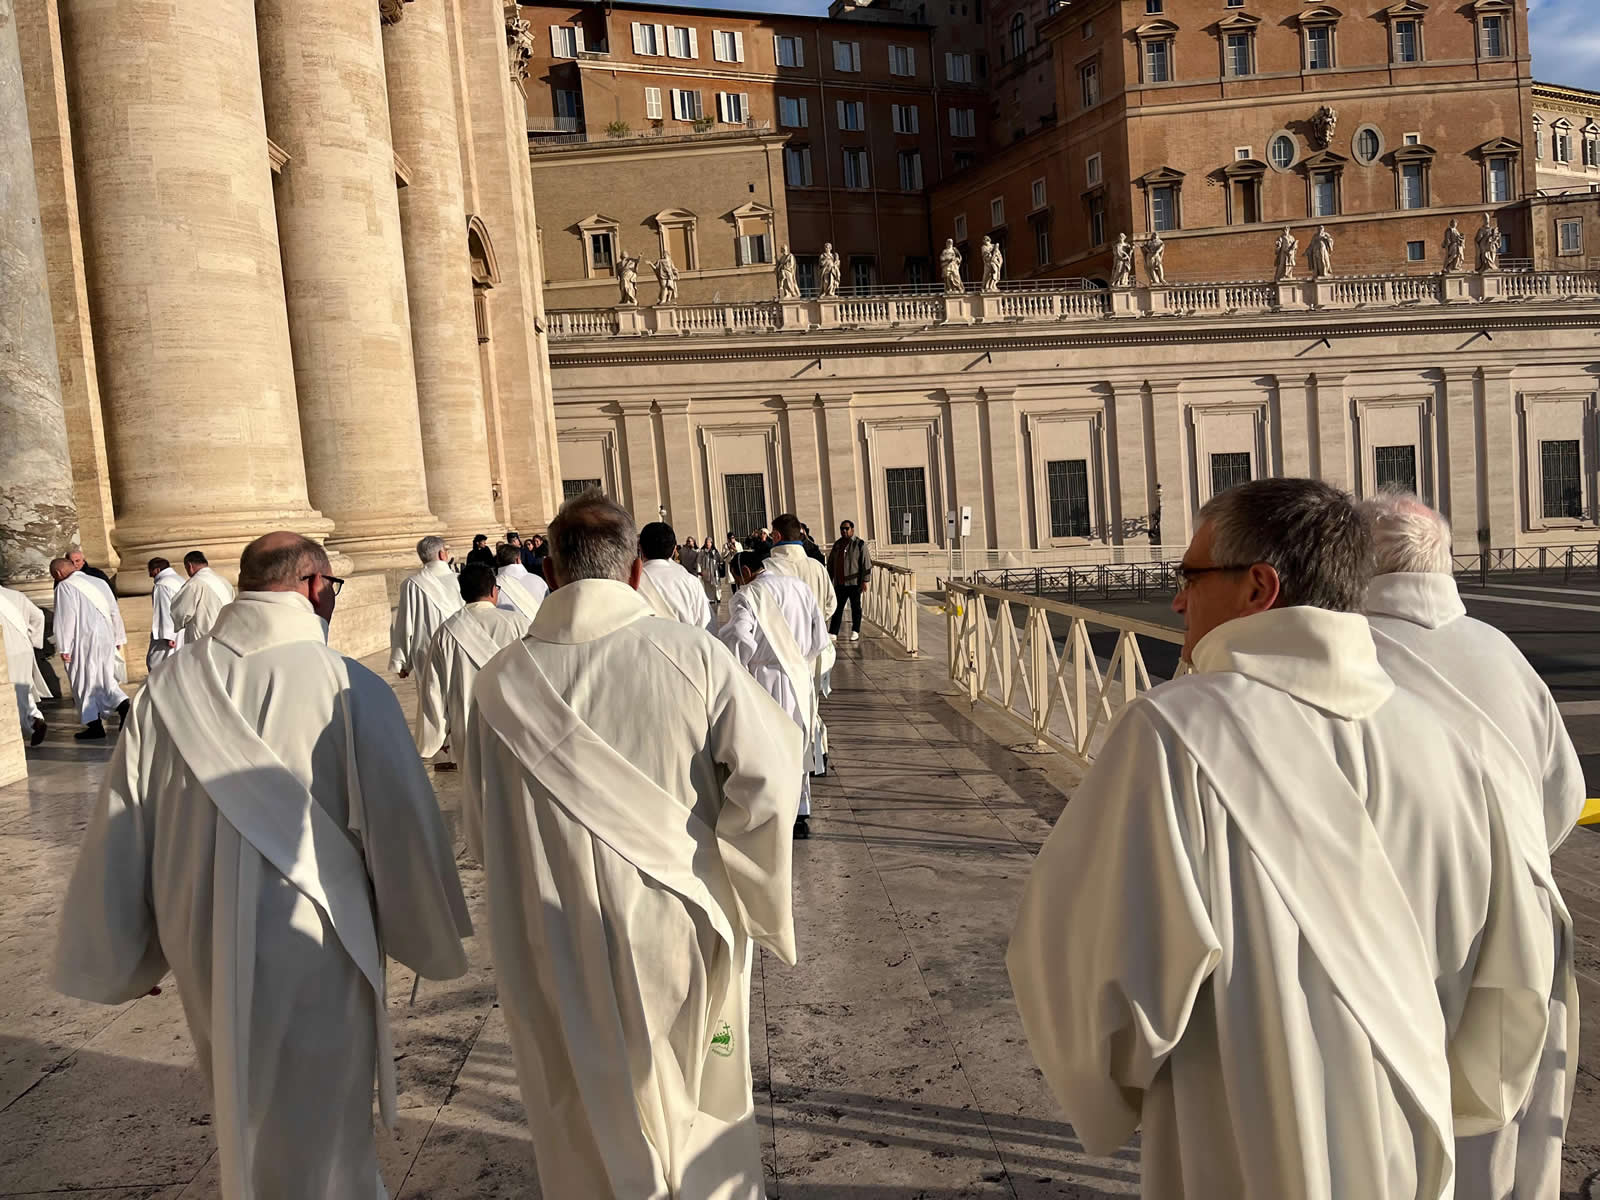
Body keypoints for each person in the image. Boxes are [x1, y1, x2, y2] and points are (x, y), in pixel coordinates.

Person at [1007, 479, 1565, 1200]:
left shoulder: (1174, 734)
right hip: (1410, 1139)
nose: (1177, 600)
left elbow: (1092, 976)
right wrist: (1441, 1091)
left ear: (1258, 588)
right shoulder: (1445, 744)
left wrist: (1110, 1087)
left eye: (1189, 575)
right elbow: (1515, 969)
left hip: (1240, 1140)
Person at [53, 531, 470, 1200]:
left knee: (241, 1093)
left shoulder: (167, 686)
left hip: (200, 928)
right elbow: (403, 824)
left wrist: (130, 943)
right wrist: (425, 927)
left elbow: (127, 817)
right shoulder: (349, 686)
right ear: (313, 585)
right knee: (324, 1115)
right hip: (318, 934)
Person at [463, 491, 803, 1199]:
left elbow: (480, 827)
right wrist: (749, 886)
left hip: (548, 926)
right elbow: (771, 777)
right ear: (635, 571)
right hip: (676, 917)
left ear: (551, 571)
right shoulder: (691, 654)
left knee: (577, 1098)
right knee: (690, 1092)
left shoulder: (498, 683)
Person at [1361, 492, 1581, 1200]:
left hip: (1392, 921)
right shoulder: (1500, 651)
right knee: (1502, 1113)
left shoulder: (1347, 652)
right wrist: (1512, 863)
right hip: (1519, 912)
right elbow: (1563, 795)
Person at [720, 545, 828, 838]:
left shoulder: (748, 595)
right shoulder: (799, 587)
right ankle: (800, 810)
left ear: (745, 572)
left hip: (764, 679)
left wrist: (739, 666)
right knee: (798, 742)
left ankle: (774, 809)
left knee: (769, 745)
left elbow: (739, 635)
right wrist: (800, 660)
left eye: (736, 578)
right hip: (799, 676)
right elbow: (820, 636)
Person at [415, 562, 529, 765]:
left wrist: (436, 736)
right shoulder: (518, 624)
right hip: (514, 726)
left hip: (467, 729)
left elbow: (434, 688)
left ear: (463, 593)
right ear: (493, 590)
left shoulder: (445, 632)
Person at [767, 514, 839, 769]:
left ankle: (795, 759)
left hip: (781, 649)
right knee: (810, 703)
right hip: (814, 647)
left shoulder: (769, 567)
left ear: (777, 536)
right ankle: (818, 754)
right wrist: (814, 624)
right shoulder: (816, 567)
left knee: (785, 706)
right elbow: (831, 604)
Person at [51, 556, 129, 740]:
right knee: (104, 677)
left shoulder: (64, 587)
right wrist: (118, 637)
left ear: (58, 573)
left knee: (83, 680)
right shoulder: (99, 582)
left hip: (83, 639)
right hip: (106, 636)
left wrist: (64, 647)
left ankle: (96, 724)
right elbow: (114, 610)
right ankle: (122, 705)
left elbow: (65, 619)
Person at [389, 536, 461, 680]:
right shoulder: (461, 579)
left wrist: (400, 663)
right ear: (442, 554)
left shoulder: (412, 584)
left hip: (427, 650)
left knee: (431, 691)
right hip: (460, 645)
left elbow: (404, 624)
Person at [637, 520, 714, 630]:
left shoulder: (631, 583)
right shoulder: (691, 582)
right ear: (674, 550)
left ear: (640, 548)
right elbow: (707, 627)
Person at [0, 582, 49, 745]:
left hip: (6, 650)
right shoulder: (16, 595)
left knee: (15, 692)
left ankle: (32, 723)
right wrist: (33, 640)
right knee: (23, 688)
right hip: (24, 648)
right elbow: (39, 616)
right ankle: (34, 719)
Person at [170, 550, 235, 642]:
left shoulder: (194, 584)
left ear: (189, 566)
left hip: (203, 639)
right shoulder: (224, 581)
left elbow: (180, 611)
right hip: (226, 635)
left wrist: (179, 623)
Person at [826, 519, 872, 641]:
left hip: (854, 582)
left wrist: (865, 580)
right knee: (837, 607)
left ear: (852, 529)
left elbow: (866, 563)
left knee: (855, 607)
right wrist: (828, 579)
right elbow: (831, 563)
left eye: (846, 528)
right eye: (842, 529)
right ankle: (833, 631)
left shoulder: (859, 544)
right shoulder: (837, 545)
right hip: (840, 583)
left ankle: (855, 630)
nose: (844, 531)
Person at [147, 557, 185, 672]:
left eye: (151, 571)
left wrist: (168, 636)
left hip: (171, 633)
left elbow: (164, 609)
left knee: (156, 665)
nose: (150, 575)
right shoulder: (180, 579)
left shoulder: (161, 585)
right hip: (183, 630)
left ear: (157, 570)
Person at [494, 543, 547, 623]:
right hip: (541, 627)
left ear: (498, 561)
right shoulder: (538, 580)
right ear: (518, 559)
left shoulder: (492, 586)